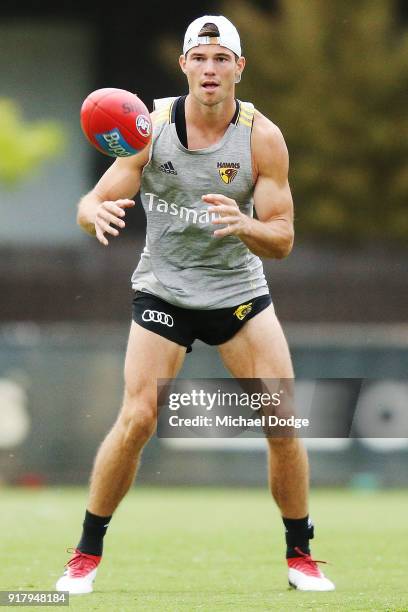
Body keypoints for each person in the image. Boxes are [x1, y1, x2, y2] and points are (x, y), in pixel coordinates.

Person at [56, 15, 335, 594]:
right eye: (200, 58)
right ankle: (84, 555)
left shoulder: (262, 137)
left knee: (282, 422)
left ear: (239, 67)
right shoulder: (149, 128)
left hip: (238, 294)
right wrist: (91, 213)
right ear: (184, 65)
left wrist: (245, 226)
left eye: (221, 58)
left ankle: (301, 556)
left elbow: (282, 238)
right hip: (165, 289)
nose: (210, 69)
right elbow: (95, 198)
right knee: (137, 418)